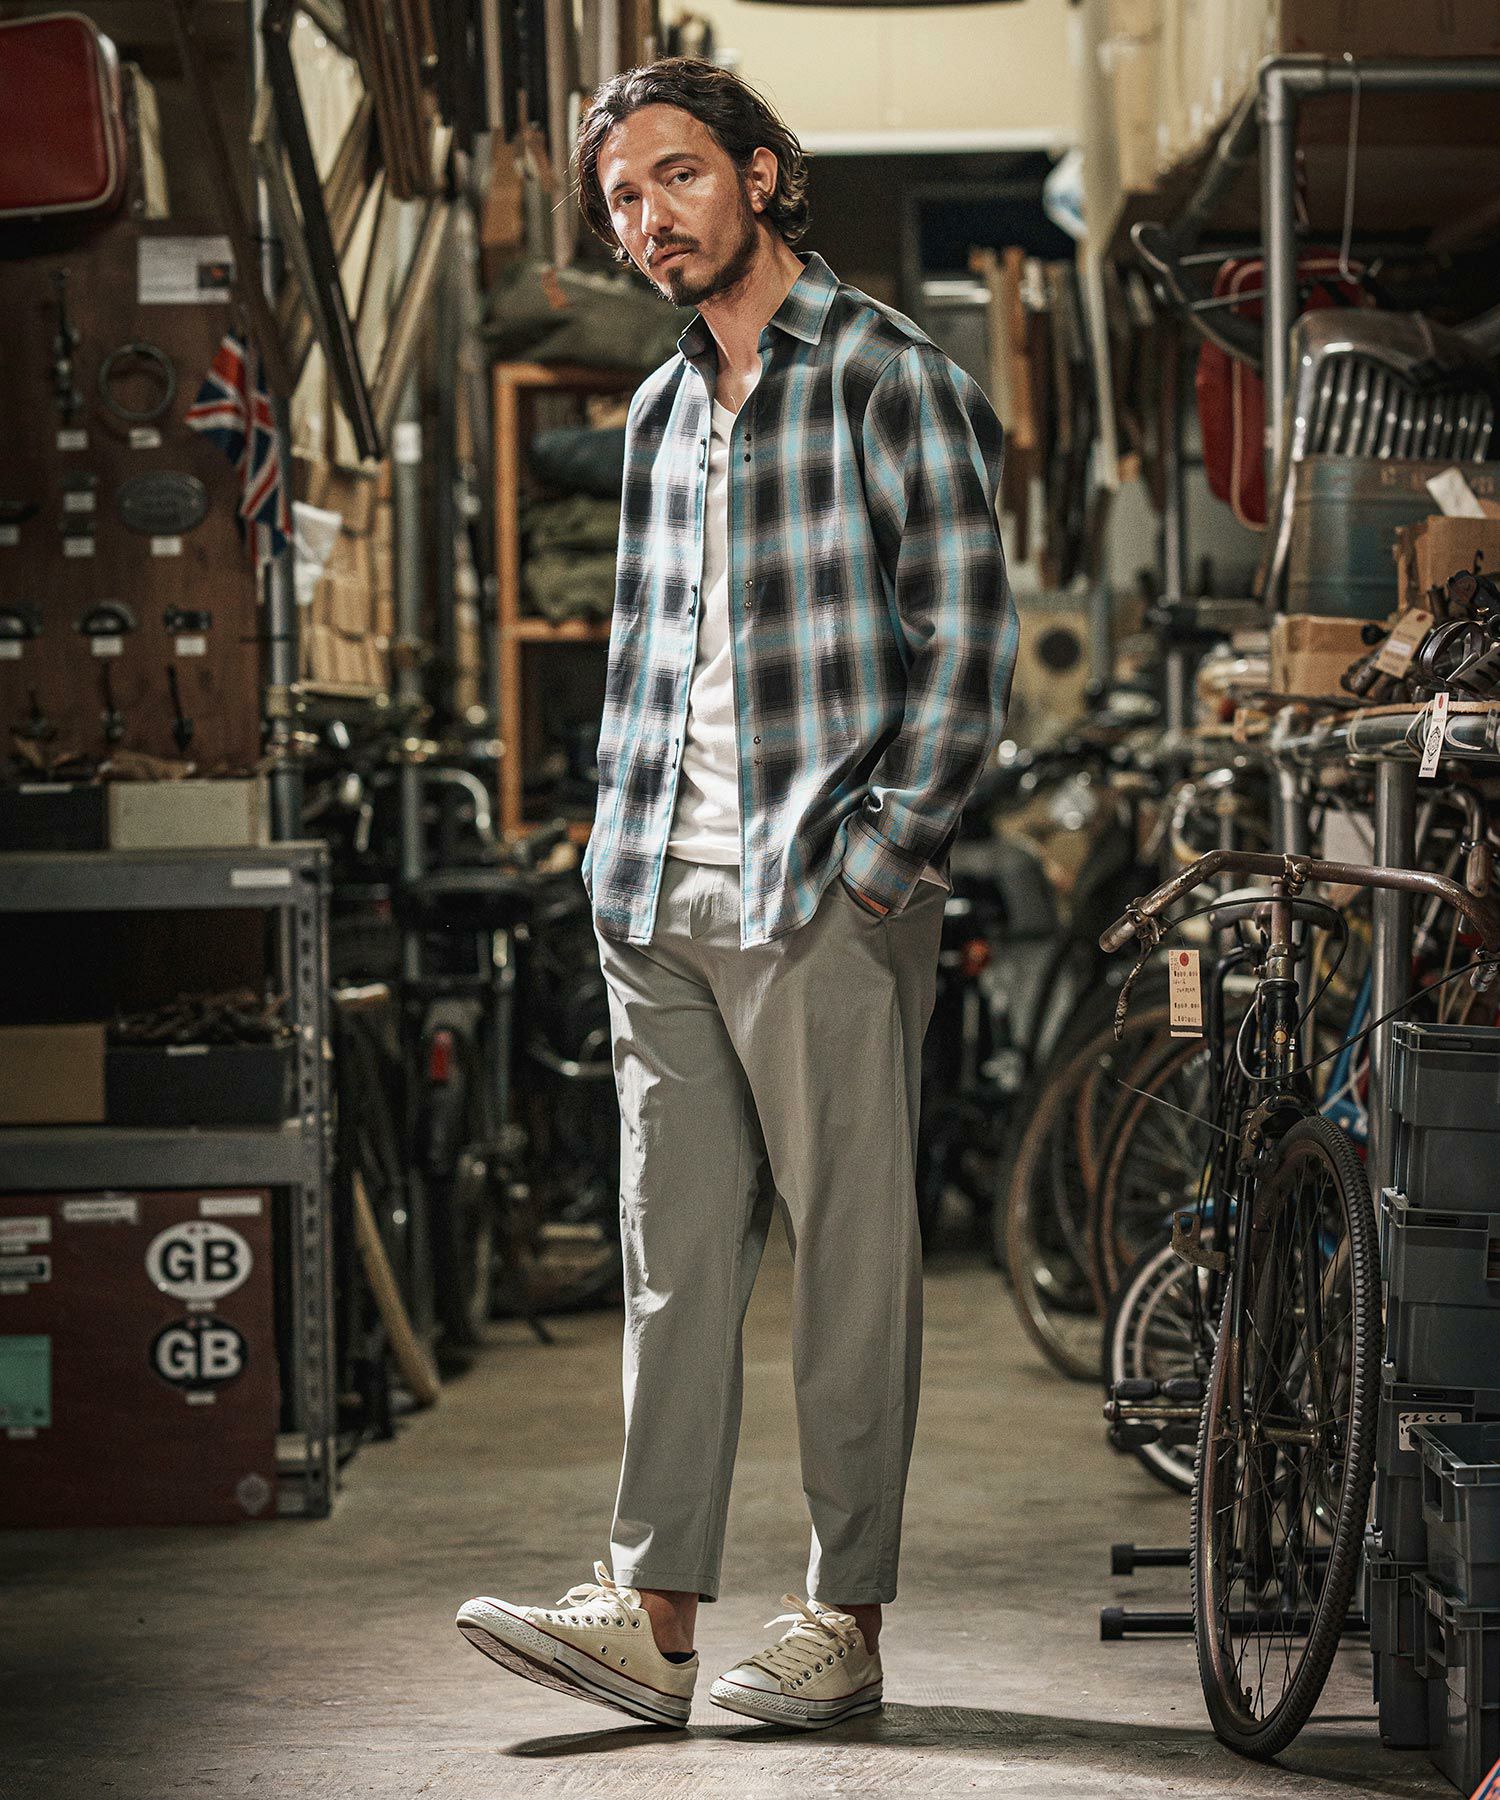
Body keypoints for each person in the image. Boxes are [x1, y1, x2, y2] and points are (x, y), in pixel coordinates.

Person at [457, 56, 1017, 1733]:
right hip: (660, 894)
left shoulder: (891, 377)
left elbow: (970, 650)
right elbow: (650, 655)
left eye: (679, 176)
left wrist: (882, 859)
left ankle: (843, 1617)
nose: (650, 218)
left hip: (821, 890)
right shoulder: (653, 413)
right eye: (624, 198)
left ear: (762, 174)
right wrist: (610, 860)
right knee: (673, 1266)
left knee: (850, 1265)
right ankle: (656, 1622)